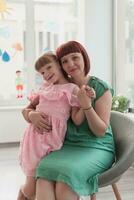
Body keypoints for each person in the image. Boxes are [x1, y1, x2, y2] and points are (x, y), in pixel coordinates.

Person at [22, 41, 115, 200]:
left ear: (84, 57)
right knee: (43, 172)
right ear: (60, 65)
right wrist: (31, 115)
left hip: (96, 147)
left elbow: (100, 131)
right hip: (67, 146)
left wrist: (87, 107)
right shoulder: (60, 86)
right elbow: (27, 109)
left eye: (75, 57)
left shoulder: (100, 87)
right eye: (64, 61)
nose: (70, 64)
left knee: (64, 183)